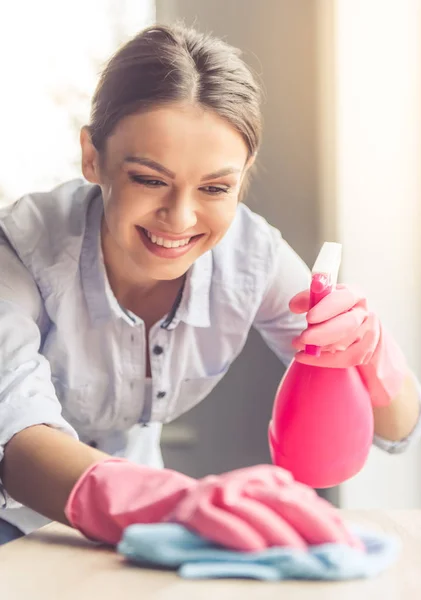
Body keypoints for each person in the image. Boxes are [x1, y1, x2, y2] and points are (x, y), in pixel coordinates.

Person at [0, 23, 419, 549]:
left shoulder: (250, 255)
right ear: (92, 156)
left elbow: (398, 431)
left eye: (216, 187)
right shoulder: (18, 251)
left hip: (131, 539)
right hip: (28, 529)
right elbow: (15, 442)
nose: (179, 217)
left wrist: (370, 356)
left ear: (243, 177)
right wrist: (176, 504)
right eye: (150, 179)